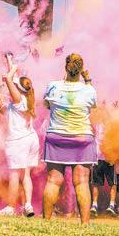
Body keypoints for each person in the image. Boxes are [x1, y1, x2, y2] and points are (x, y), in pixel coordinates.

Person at [41, 53, 98, 225]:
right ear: (81, 69)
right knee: (82, 182)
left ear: (66, 67)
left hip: (56, 137)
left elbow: (47, 105)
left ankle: (46, 222)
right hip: (82, 138)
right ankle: (85, 224)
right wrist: (87, 80)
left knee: (53, 180)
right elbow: (93, 104)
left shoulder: (53, 86)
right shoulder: (89, 89)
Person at [0, 56, 38, 217]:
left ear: (18, 89)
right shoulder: (25, 99)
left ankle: (11, 207)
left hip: (18, 142)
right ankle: (28, 206)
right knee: (25, 174)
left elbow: (9, 79)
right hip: (30, 140)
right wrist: (9, 60)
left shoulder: (19, 101)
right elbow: (0, 105)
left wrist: (11, 70)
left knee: (14, 175)